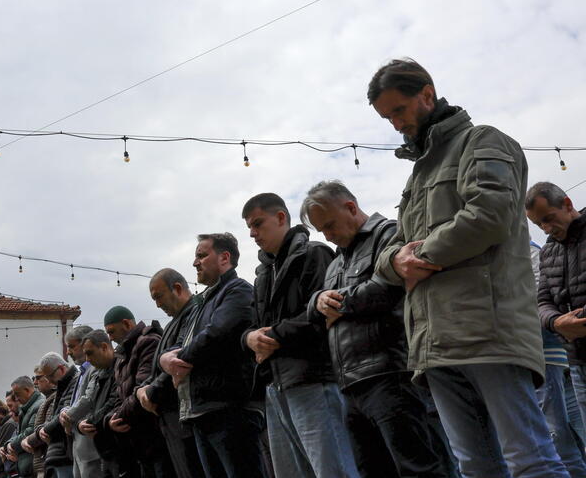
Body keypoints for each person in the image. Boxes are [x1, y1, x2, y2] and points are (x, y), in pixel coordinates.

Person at [368, 58, 567, 478]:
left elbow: (490, 214)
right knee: (475, 467)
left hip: (487, 331)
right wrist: (396, 260)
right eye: (387, 117)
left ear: (426, 93)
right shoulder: (416, 176)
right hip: (433, 343)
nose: (395, 124)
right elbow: (389, 251)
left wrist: (417, 257)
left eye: (399, 111)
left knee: (530, 460)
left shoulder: (484, 141)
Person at [302, 181, 452, 478]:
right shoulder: (336, 263)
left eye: (330, 225)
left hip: (393, 373)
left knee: (419, 467)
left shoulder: (390, 234)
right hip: (351, 384)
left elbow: (389, 289)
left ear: (351, 207)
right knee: (373, 470)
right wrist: (318, 301)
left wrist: (340, 304)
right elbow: (317, 311)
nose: (328, 236)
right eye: (322, 231)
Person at [241, 192, 357, 478]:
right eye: (249, 229)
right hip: (276, 387)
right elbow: (252, 326)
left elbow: (324, 314)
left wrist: (273, 336)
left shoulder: (315, 254)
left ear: (281, 217)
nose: (253, 234)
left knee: (334, 470)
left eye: (258, 224)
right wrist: (249, 339)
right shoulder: (261, 274)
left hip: (313, 379)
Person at [159, 233, 264, 478]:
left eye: (202, 255)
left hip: (230, 408)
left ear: (224, 257)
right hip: (203, 411)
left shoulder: (238, 291)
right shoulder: (203, 302)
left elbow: (216, 334)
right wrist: (166, 359)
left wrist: (179, 360)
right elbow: (179, 342)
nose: (195, 263)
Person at [527, 235, 586, 477]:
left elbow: (542, 300)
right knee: (568, 431)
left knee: (559, 435)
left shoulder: (528, 252)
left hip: (547, 355)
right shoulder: (538, 252)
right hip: (556, 354)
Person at [137, 269, 204, 478]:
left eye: (159, 296)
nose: (157, 304)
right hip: (172, 418)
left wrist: (151, 393)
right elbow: (157, 369)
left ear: (176, 288)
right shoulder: (173, 323)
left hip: (182, 414)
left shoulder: (194, 314)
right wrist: (141, 391)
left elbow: (178, 361)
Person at [103, 306, 171, 478]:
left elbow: (141, 389)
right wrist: (112, 419)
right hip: (139, 441)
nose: (110, 338)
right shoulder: (122, 355)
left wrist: (118, 417)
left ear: (126, 324)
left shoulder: (149, 342)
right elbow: (120, 394)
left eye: (111, 332)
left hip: (156, 436)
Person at [72, 330, 121, 477]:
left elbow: (113, 401)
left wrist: (89, 422)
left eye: (90, 353)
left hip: (118, 446)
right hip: (104, 447)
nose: (87, 359)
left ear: (105, 347)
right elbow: (94, 404)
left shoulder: (118, 368)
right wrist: (81, 423)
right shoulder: (100, 372)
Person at [57, 326, 101, 478]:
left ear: (85, 343)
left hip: (91, 449)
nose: (68, 352)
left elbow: (87, 399)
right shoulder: (82, 372)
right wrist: (64, 412)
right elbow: (74, 401)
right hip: (79, 448)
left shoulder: (96, 368)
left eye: (71, 346)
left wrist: (67, 416)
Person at [37, 353, 81, 478]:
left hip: (64, 456)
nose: (49, 381)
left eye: (50, 376)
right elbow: (53, 417)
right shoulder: (62, 386)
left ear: (61, 369)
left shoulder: (73, 382)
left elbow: (61, 417)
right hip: (58, 455)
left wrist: (44, 430)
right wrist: (40, 430)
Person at [7, 376, 46, 478]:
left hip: (33, 465)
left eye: (17, 394)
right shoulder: (27, 408)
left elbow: (29, 431)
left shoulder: (38, 405)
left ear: (27, 390)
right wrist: (8, 444)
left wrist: (11, 445)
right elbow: (20, 433)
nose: (16, 398)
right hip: (27, 466)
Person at [24, 365, 57, 478]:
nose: (35, 382)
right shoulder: (48, 399)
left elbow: (46, 429)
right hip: (43, 462)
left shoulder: (54, 398)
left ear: (49, 377)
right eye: (34, 378)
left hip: (48, 461)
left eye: (38, 378)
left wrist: (27, 440)